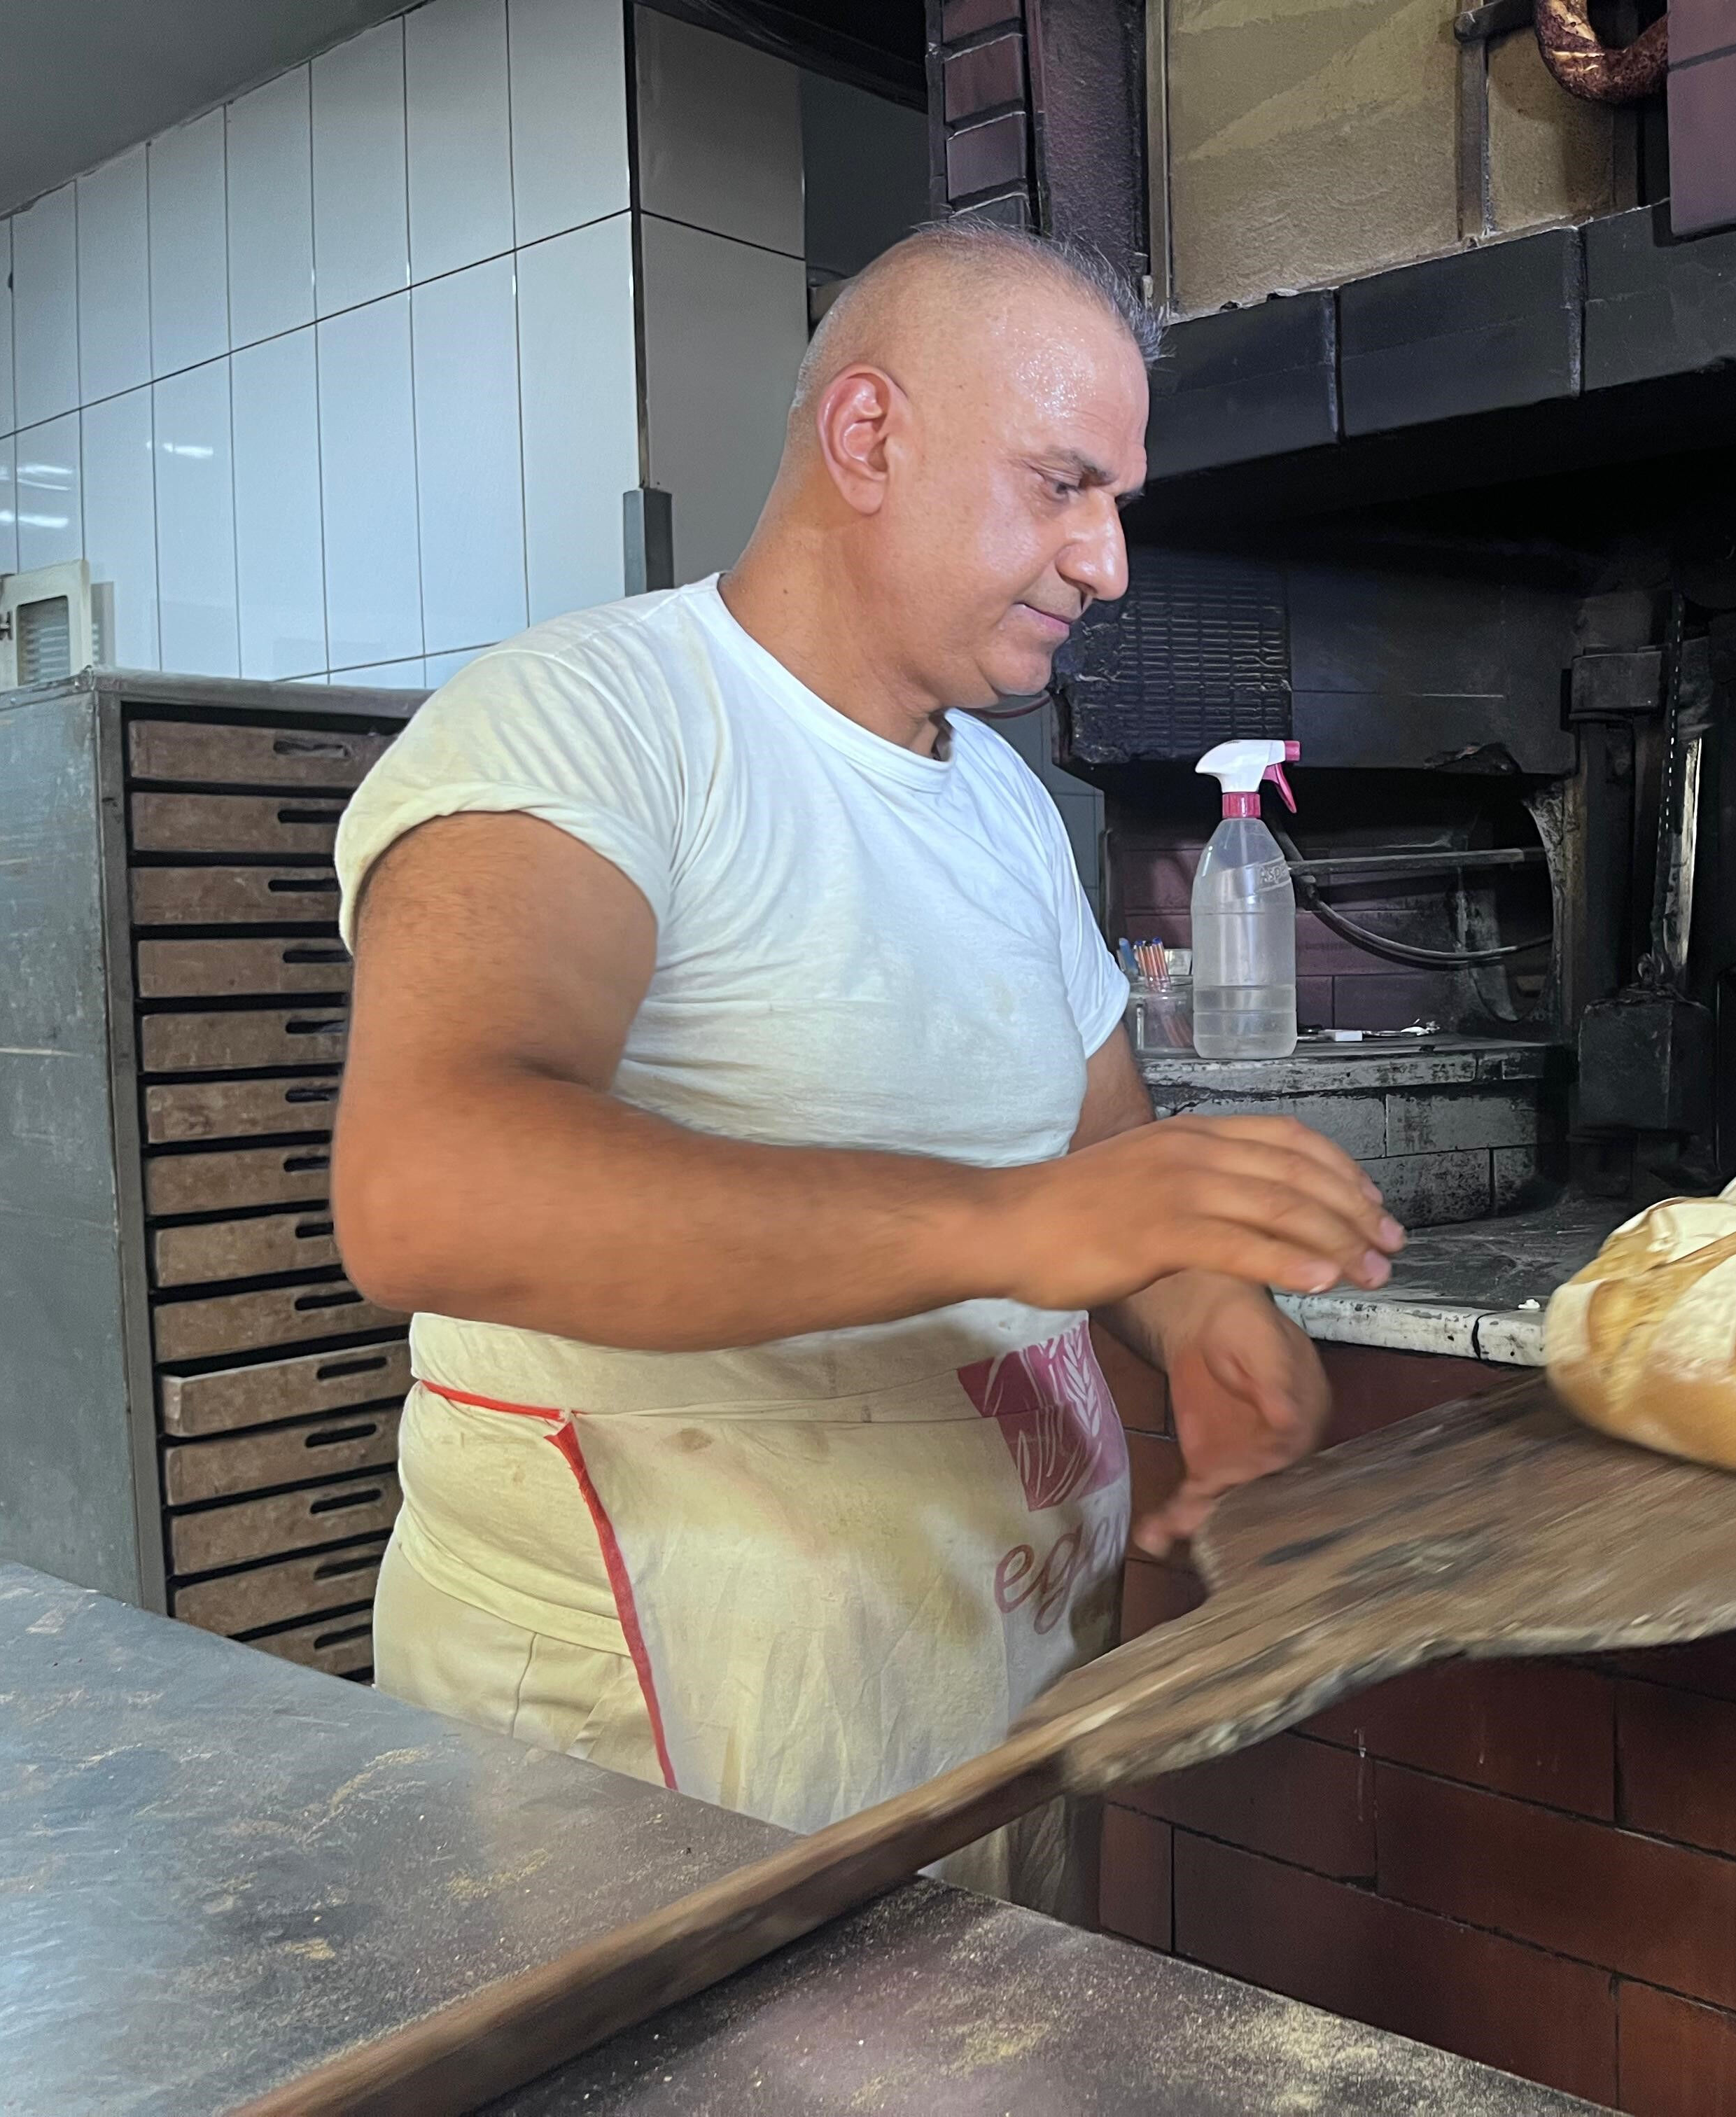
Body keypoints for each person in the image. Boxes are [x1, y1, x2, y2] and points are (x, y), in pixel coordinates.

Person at [328, 223, 1400, 1915]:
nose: (1107, 558)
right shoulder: (586, 722)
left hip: (986, 1689)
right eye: (1063, 483)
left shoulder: (1005, 810)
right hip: (660, 1750)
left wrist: (1203, 1321)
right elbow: (427, 1183)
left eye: (1115, 498)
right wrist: (1011, 1226)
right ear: (870, 437)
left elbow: (1099, 1165)